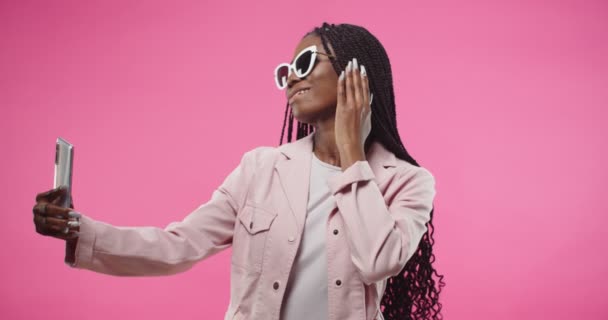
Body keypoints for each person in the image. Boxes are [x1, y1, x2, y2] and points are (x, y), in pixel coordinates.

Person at [32, 22, 445, 320]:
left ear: (354, 72)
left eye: (304, 63)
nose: (290, 80)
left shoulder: (406, 182)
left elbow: (379, 261)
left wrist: (352, 152)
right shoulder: (260, 168)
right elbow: (177, 246)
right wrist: (77, 229)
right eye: (285, 72)